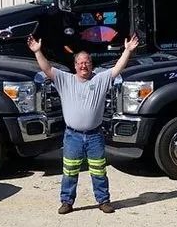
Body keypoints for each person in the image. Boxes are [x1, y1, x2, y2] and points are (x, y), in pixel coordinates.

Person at [30, 32, 139, 214]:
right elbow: (47, 68)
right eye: (80, 62)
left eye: (86, 62)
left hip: (95, 135)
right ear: (74, 66)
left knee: (99, 171)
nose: (83, 65)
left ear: (91, 64)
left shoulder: (100, 79)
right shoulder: (65, 80)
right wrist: (37, 51)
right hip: (72, 136)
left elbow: (117, 69)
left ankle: (103, 201)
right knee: (70, 171)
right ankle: (67, 201)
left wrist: (127, 51)